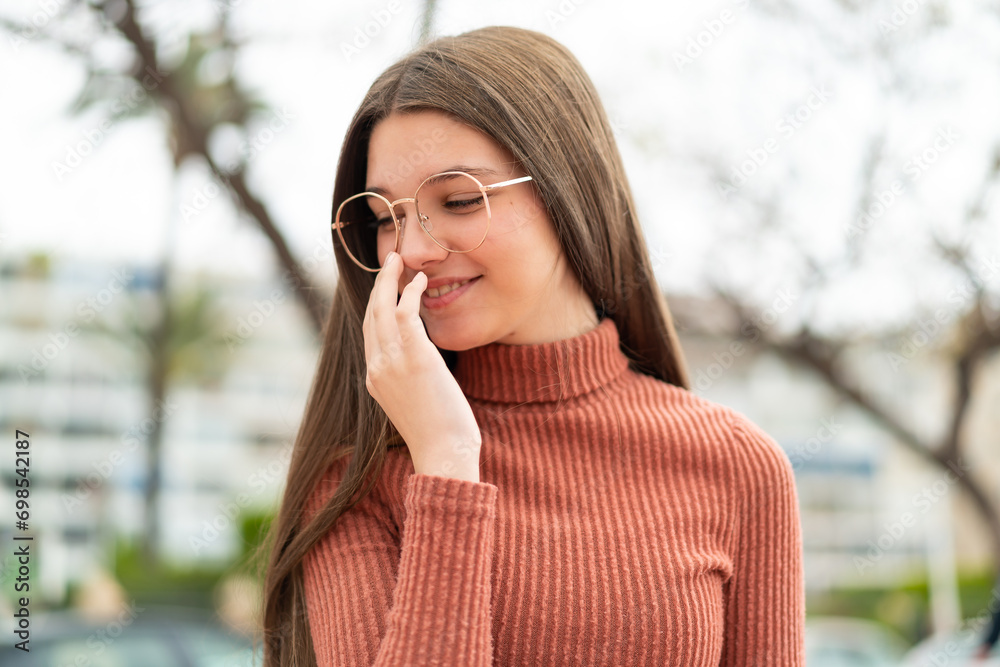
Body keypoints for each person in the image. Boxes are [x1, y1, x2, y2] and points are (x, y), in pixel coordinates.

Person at [257, 25, 805, 666]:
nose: (410, 250)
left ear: (568, 191)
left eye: (459, 200)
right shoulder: (359, 480)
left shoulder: (738, 467)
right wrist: (447, 461)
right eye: (386, 218)